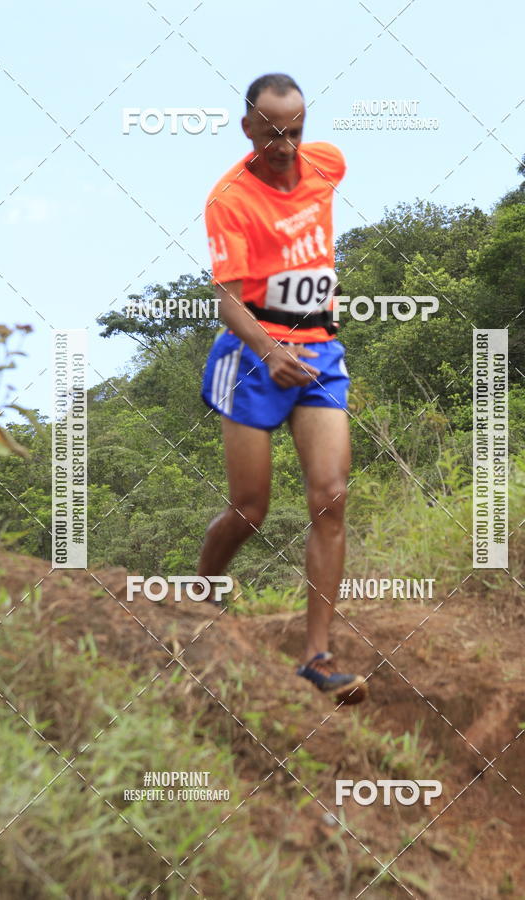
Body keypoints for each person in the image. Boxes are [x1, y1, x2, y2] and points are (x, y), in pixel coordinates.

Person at [198, 73, 367, 705]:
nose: (286, 146)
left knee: (331, 497)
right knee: (250, 507)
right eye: (271, 133)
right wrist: (270, 352)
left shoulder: (327, 164)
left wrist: (325, 302)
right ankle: (204, 583)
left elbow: (315, 251)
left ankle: (316, 656)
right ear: (248, 129)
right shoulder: (229, 199)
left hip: (320, 353)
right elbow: (227, 302)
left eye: (295, 131)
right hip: (252, 356)